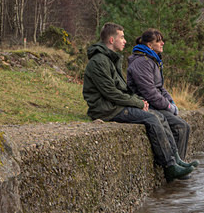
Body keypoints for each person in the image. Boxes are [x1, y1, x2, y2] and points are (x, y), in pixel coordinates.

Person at [82, 22, 195, 181]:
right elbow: (111, 92)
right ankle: (169, 166)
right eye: (122, 37)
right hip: (106, 109)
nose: (125, 40)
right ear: (112, 40)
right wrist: (138, 103)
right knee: (153, 118)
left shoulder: (110, 59)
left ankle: (175, 161)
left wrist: (139, 100)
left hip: (115, 105)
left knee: (160, 117)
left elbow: (123, 89)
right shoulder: (99, 61)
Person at [127, 28, 198, 168]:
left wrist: (171, 101)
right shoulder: (142, 62)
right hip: (147, 104)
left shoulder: (152, 60)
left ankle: (179, 164)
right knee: (181, 127)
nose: (163, 43)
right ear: (149, 45)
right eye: (158, 41)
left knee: (184, 126)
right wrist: (167, 106)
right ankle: (173, 168)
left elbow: (160, 87)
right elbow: (149, 92)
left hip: (154, 103)